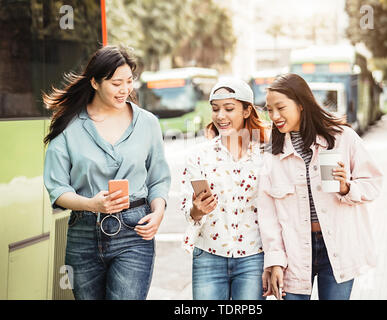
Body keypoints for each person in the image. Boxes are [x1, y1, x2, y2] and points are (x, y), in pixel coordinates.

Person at [43, 45, 171, 300]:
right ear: (95, 82)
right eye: (115, 83)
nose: (125, 89)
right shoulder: (69, 125)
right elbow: (57, 188)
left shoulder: (148, 123)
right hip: (84, 234)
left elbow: (158, 178)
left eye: (129, 81)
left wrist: (158, 213)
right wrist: (91, 204)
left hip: (135, 231)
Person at [258, 73, 383, 300]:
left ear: (301, 104)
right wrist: (275, 261)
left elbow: (373, 184)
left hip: (337, 248)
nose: (274, 116)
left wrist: (346, 188)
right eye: (269, 109)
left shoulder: (342, 138)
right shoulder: (271, 156)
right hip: (294, 253)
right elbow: (269, 216)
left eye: (281, 108)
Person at [179, 78, 269, 300]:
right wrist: (196, 210)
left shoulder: (266, 156)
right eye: (215, 109)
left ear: (247, 111)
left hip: (253, 256)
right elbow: (186, 207)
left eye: (229, 109)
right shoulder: (197, 156)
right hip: (209, 254)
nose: (220, 116)